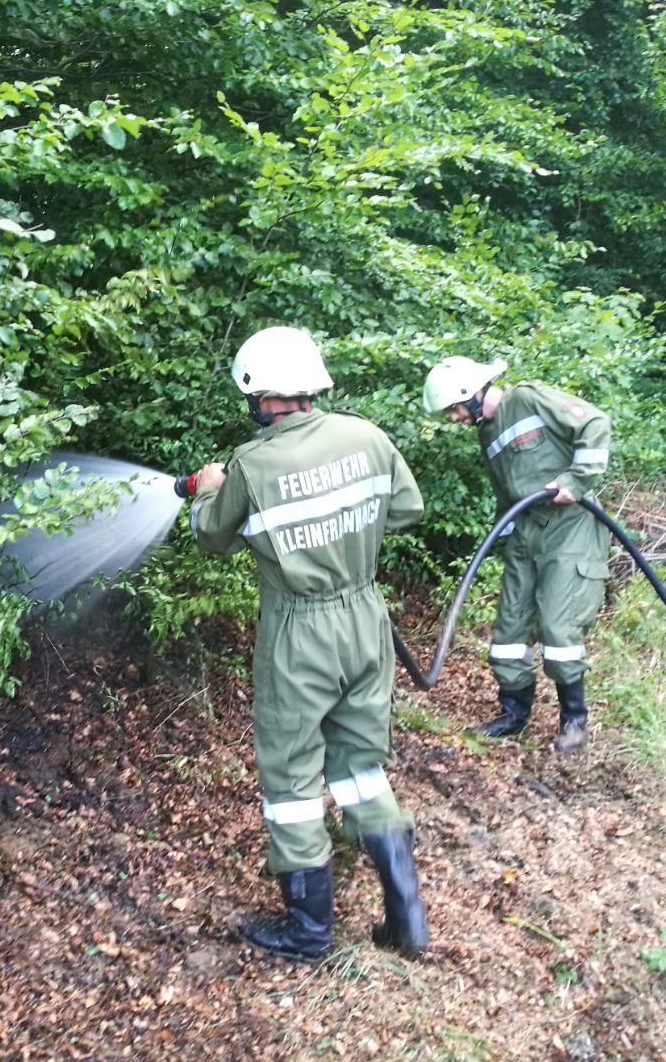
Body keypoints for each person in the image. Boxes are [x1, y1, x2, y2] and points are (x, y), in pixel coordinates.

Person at [181, 326, 428, 961]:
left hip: (300, 629)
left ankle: (309, 932)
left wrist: (209, 487)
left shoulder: (252, 464)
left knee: (291, 777)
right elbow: (406, 510)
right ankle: (406, 916)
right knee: (359, 767)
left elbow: (212, 536)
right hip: (365, 617)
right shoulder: (366, 437)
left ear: (258, 395)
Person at [421, 357, 611, 753]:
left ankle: (574, 720)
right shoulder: (487, 431)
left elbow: (595, 423)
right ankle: (514, 713)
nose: (454, 418)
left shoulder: (528, 399)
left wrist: (576, 480)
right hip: (524, 531)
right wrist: (504, 537)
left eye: (454, 408)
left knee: (558, 626)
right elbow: (506, 491)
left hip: (568, 528)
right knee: (509, 628)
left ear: (472, 394)